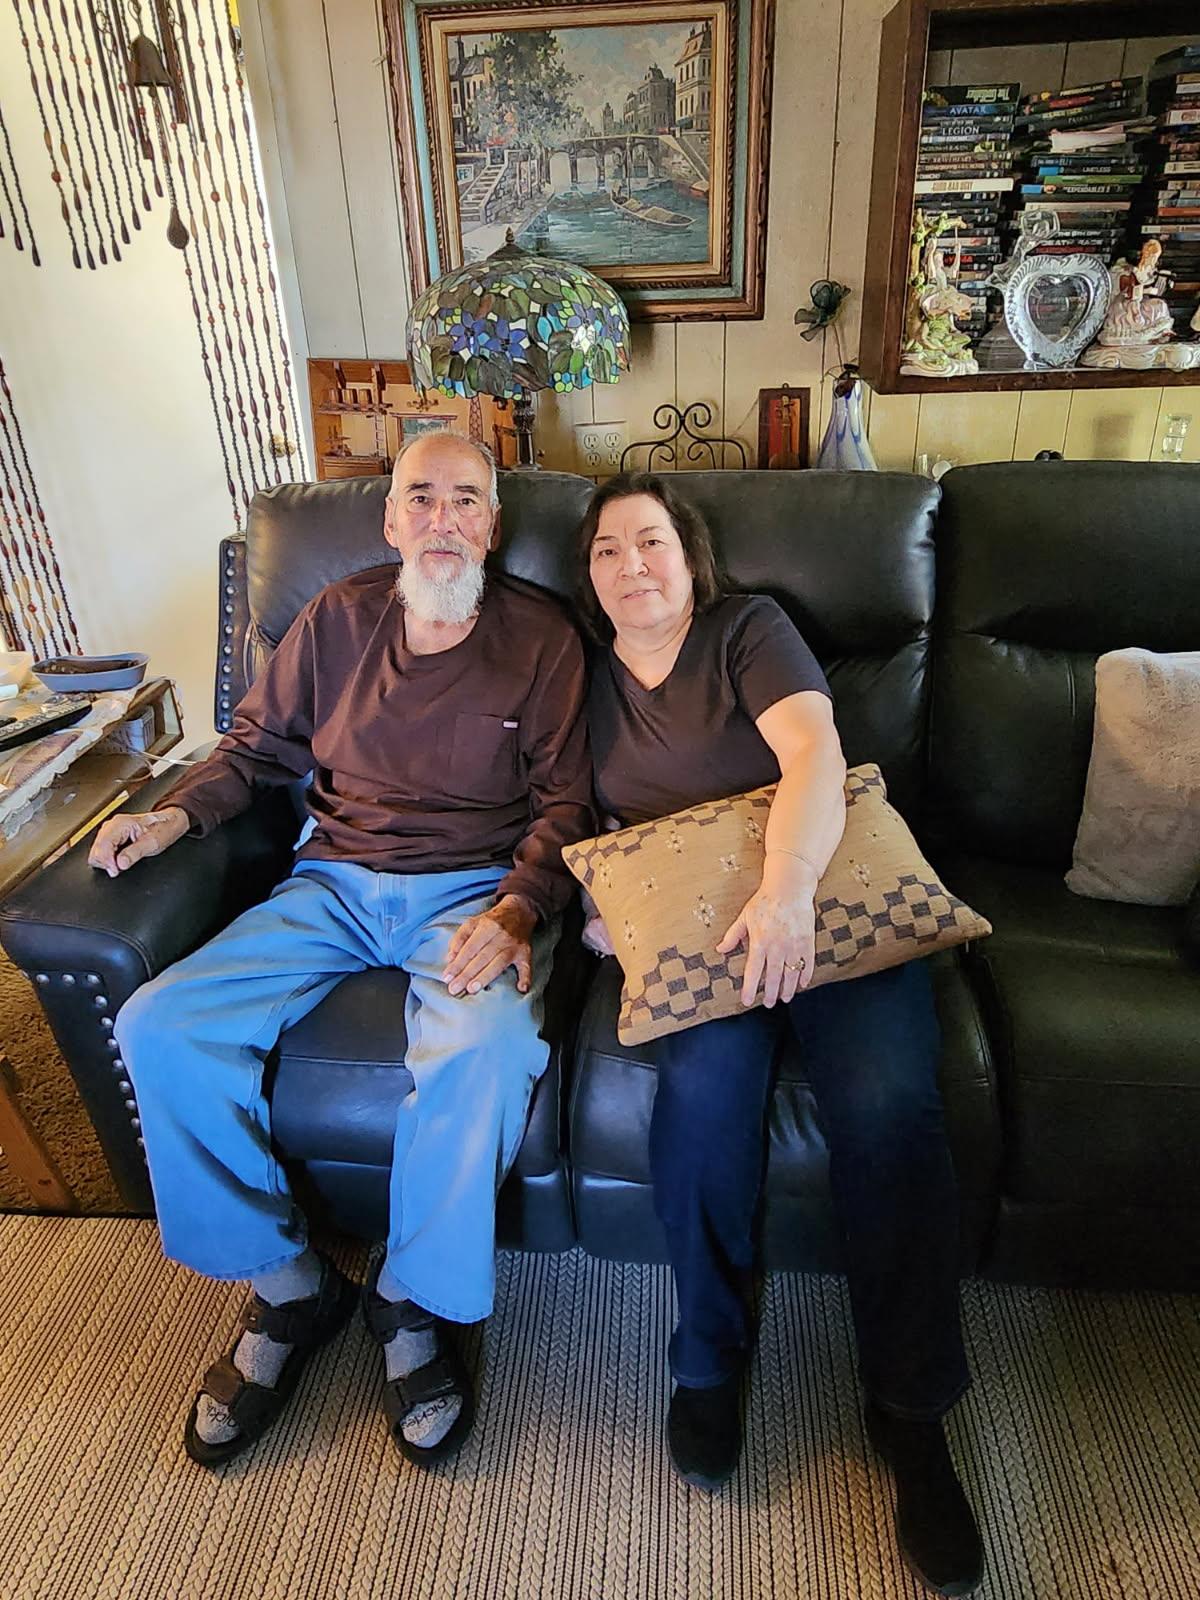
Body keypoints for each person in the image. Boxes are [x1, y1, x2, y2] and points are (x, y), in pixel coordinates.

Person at [90, 433, 594, 1468]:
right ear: (390, 518)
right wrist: (171, 820)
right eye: (423, 498)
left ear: (494, 527)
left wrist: (516, 908)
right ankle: (289, 1285)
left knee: (487, 1048)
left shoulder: (544, 640)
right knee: (159, 1024)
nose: (444, 519)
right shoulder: (335, 618)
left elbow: (567, 804)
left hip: (471, 890)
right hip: (331, 882)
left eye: (467, 500)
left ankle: (408, 1298)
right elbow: (255, 749)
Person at [577, 472, 983, 1598]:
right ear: (591, 575)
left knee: (889, 1104)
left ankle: (912, 1411)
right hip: (699, 932)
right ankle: (709, 1358)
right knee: (702, 1112)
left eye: (651, 540)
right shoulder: (585, 676)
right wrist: (596, 909)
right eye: (608, 550)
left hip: (820, 897)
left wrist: (789, 889)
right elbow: (575, 818)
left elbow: (813, 754)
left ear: (690, 555)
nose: (632, 564)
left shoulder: (747, 629)